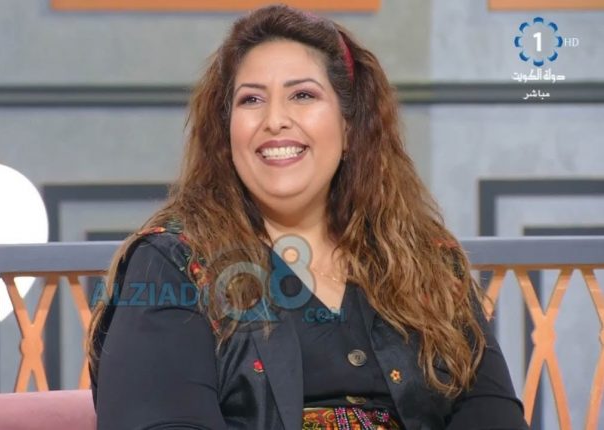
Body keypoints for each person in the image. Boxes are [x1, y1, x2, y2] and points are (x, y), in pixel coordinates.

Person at [87, 4, 528, 429]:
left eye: (302, 95)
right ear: (226, 133)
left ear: (350, 127)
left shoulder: (426, 258)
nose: (275, 120)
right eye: (251, 99)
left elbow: (491, 415)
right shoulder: (171, 263)